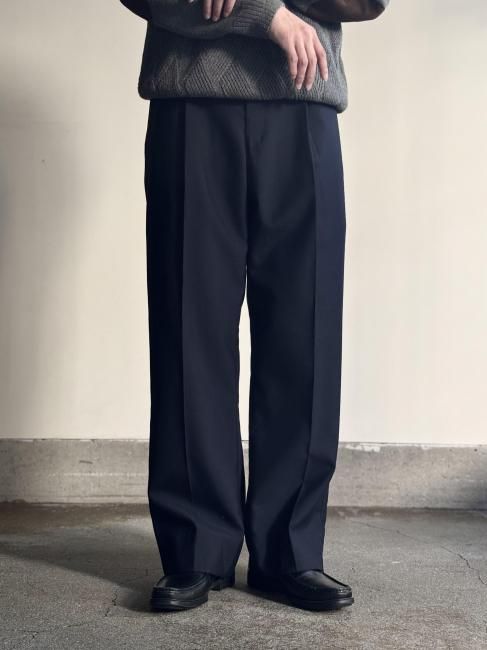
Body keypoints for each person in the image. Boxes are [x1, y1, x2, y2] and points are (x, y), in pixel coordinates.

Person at [120, 0, 387, 613]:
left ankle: (291, 552)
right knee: (190, 331)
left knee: (304, 332)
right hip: (191, 100)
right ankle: (195, 547)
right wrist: (266, 17)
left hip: (303, 99)